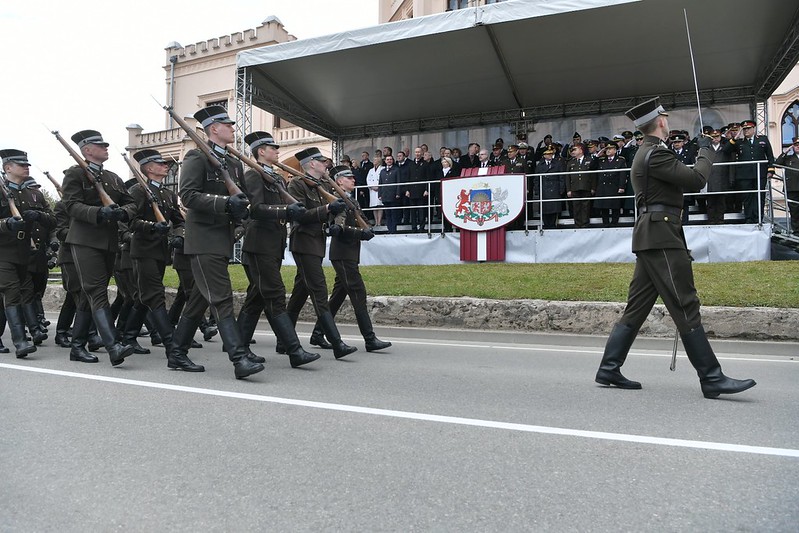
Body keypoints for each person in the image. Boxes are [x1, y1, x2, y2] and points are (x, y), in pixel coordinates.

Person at [595, 97, 756, 399]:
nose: (668, 121)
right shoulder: (656, 155)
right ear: (660, 122)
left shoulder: (650, 152)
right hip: (661, 236)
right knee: (685, 303)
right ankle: (712, 377)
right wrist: (706, 149)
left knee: (638, 306)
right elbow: (696, 179)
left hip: (654, 234)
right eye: (666, 118)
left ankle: (609, 367)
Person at [177, 105, 264, 379]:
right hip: (203, 240)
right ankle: (239, 358)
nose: (232, 129)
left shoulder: (234, 163)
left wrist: (245, 217)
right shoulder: (197, 157)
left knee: (200, 301)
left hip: (221, 239)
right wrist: (225, 203)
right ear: (214, 128)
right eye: (227, 125)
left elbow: (246, 202)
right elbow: (187, 196)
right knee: (222, 298)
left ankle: (176, 352)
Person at [237, 131, 320, 368]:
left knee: (256, 297)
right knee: (274, 294)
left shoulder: (277, 178)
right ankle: (294, 350)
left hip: (273, 244)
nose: (276, 151)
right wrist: (285, 212)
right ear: (261, 151)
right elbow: (254, 209)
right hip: (259, 243)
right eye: (272, 148)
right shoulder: (254, 174)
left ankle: (239, 346)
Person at [62, 131, 138, 366]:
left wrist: (122, 212)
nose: (105, 148)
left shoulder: (113, 178)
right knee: (96, 291)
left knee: (90, 293)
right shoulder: (75, 174)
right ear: (86, 151)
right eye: (99, 145)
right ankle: (113, 345)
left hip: (108, 242)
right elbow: (71, 205)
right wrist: (98, 212)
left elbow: (132, 202)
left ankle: (77, 347)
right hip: (84, 240)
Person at [285, 147, 357, 359]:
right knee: (318, 290)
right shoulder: (296, 184)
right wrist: (326, 210)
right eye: (321, 161)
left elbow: (339, 207)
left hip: (317, 242)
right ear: (311, 164)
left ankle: (284, 339)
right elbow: (300, 215)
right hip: (303, 242)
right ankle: (337, 343)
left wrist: (336, 215)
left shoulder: (325, 184)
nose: (326, 164)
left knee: (300, 293)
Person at [309, 166, 391, 351]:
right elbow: (338, 229)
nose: (353, 180)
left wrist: (366, 227)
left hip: (349, 254)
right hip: (343, 254)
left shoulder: (350, 199)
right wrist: (361, 233)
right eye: (349, 178)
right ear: (339, 181)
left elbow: (357, 220)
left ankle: (317, 334)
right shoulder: (337, 200)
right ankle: (369, 339)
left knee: (338, 296)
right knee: (358, 292)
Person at [0, 149, 40, 358]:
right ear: (8, 168)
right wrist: (7, 223)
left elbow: (48, 219)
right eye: (21, 164)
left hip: (23, 251)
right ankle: (21, 342)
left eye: (27, 164)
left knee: (11, 295)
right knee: (12, 292)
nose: (26, 167)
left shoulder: (27, 192)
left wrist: (38, 216)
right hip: (3, 251)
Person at [723, 119, 776, 224]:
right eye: (744, 129)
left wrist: (771, 170)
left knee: (759, 196)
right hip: (744, 175)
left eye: (748, 129)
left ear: (754, 129)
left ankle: (758, 218)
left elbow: (770, 156)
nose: (746, 131)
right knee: (747, 197)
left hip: (759, 173)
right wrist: (734, 138)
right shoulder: (739, 142)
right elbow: (726, 150)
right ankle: (749, 218)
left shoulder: (762, 139)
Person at [591, 143, 628, 226]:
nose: (608, 150)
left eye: (610, 149)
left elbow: (623, 174)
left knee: (615, 206)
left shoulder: (620, 160)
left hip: (614, 185)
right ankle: (606, 223)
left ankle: (614, 223)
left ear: (615, 150)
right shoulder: (601, 159)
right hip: (603, 186)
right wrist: (597, 157)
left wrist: (621, 186)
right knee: (604, 206)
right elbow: (591, 167)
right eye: (607, 149)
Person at [532, 147, 566, 229]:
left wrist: (561, 189)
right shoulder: (540, 165)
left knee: (554, 209)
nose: (550, 155)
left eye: (551, 153)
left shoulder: (557, 164)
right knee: (545, 209)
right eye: (548, 154)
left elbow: (561, 177)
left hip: (555, 188)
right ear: (544, 155)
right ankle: (546, 225)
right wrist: (537, 190)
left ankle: (552, 225)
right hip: (544, 189)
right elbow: (536, 179)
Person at [565, 143, 595, 228]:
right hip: (575, 188)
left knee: (586, 207)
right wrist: (568, 190)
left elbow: (593, 176)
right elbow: (567, 176)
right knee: (576, 206)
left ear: (581, 150)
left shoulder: (589, 160)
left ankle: (585, 224)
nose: (573, 151)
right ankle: (577, 224)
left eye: (575, 149)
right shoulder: (571, 162)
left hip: (586, 187)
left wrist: (593, 187)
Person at [776, 136, 799, 232]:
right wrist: (786, 151)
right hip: (792, 189)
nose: (798, 147)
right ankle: (797, 231)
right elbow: (777, 163)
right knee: (795, 212)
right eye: (796, 145)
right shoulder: (788, 158)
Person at [378, 154, 400, 233]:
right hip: (385, 195)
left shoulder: (396, 169)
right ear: (385, 161)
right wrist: (379, 194)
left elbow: (398, 182)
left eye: (390, 159)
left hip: (393, 194)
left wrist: (398, 193)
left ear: (393, 160)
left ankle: (393, 229)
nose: (389, 161)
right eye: (387, 159)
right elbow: (380, 183)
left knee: (393, 213)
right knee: (387, 214)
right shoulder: (382, 171)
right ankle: (389, 229)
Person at [366, 155, 384, 226]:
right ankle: (376, 221)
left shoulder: (383, 168)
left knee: (379, 205)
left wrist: (378, 187)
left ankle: (379, 222)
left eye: (375, 160)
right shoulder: (371, 170)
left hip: (380, 189)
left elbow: (383, 179)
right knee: (374, 206)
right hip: (373, 190)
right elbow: (368, 179)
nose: (374, 161)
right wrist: (372, 187)